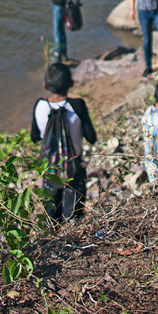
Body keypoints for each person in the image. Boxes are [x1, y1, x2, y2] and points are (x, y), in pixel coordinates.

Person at [30, 63, 97, 221]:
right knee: (74, 219)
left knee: (52, 218)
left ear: (45, 86)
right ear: (71, 84)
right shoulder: (77, 105)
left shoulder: (40, 106)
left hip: (50, 172)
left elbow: (35, 137)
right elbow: (91, 137)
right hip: (74, 171)